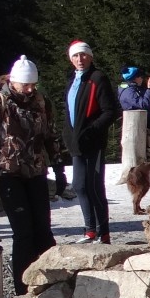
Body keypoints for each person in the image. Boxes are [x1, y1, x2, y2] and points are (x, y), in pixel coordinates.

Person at [0, 57, 69, 295]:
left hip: (36, 171)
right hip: (9, 172)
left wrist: (58, 167)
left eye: (33, 85)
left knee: (43, 230)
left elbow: (51, 135)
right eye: (25, 85)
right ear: (14, 82)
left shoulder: (41, 102)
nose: (29, 89)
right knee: (23, 232)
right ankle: (22, 288)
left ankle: (52, 285)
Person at [63, 40, 120, 244]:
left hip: (93, 141)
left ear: (90, 57)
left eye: (83, 55)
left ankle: (103, 233)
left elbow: (110, 111)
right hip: (77, 142)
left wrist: (92, 130)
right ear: (70, 59)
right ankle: (90, 230)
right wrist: (67, 134)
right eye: (75, 56)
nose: (80, 59)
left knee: (94, 186)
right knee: (79, 186)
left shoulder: (98, 78)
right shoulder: (72, 79)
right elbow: (69, 111)